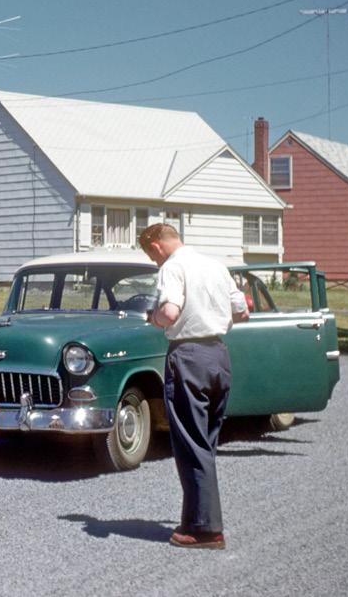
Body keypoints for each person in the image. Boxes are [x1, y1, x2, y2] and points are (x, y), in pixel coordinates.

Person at [138, 223, 249, 550]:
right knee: (205, 443)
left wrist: (153, 318)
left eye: (152, 256)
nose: (155, 261)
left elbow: (170, 312)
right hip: (218, 355)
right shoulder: (216, 266)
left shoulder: (173, 267)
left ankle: (206, 530)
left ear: (156, 246)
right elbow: (242, 311)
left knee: (190, 443)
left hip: (188, 356)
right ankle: (194, 520)